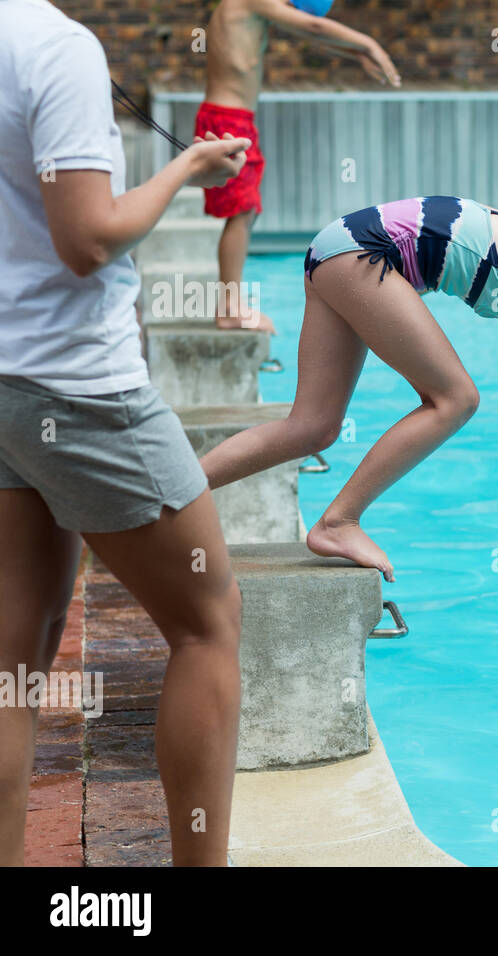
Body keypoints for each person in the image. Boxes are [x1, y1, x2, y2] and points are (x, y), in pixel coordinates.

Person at [0, 0, 251, 866]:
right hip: (78, 387)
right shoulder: (55, 47)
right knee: (207, 622)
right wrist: (186, 167)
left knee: (16, 667)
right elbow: (88, 238)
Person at [199, 197, 498, 583]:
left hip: (341, 248)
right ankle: (337, 522)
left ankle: (171, 495)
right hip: (362, 254)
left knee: (312, 428)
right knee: (457, 399)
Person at [197, 0, 401, 331]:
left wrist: (356, 54)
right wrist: (369, 43)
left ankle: (230, 304)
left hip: (234, 118)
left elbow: (308, 31)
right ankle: (230, 308)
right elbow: (314, 27)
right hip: (228, 120)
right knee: (243, 211)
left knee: (246, 212)